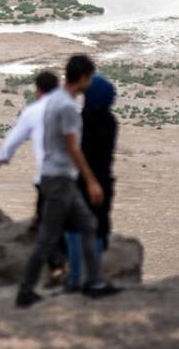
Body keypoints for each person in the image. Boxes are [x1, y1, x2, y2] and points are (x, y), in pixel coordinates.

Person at [17, 55, 120, 306]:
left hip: (61, 176)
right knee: (48, 238)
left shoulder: (58, 101)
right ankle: (26, 289)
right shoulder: (68, 108)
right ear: (83, 77)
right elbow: (73, 148)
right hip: (60, 178)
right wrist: (91, 181)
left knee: (85, 225)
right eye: (90, 77)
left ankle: (90, 282)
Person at [63, 73, 118, 292]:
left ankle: (76, 279)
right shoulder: (110, 122)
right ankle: (94, 279)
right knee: (98, 228)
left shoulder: (82, 122)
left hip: (82, 181)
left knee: (75, 229)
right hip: (104, 182)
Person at [0, 70, 60, 230]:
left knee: (44, 223)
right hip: (73, 177)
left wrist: (3, 156)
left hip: (47, 177)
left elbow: (15, 138)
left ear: (38, 90)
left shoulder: (33, 111)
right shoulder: (73, 110)